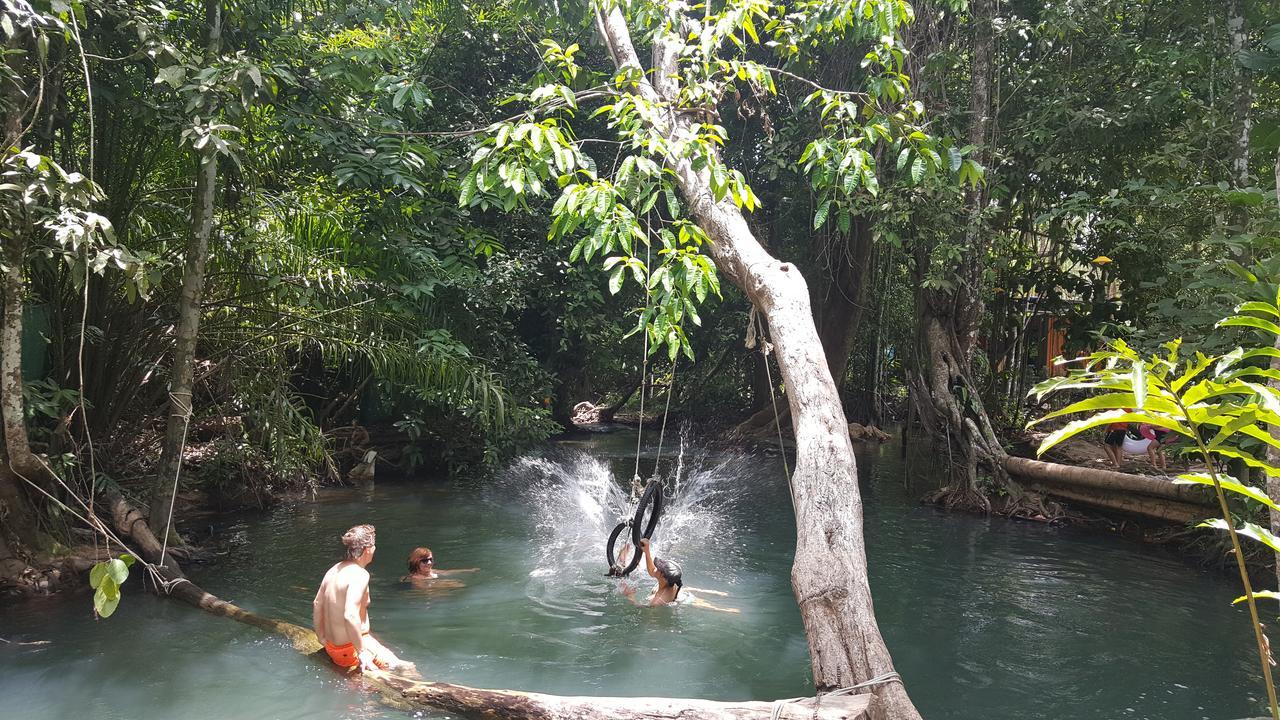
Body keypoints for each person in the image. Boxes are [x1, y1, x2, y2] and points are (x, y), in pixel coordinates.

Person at [312, 524, 411, 672]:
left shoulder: (334, 569)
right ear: (367, 549)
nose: (375, 549)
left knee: (398, 663)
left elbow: (317, 603)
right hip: (350, 649)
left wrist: (322, 638)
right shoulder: (359, 574)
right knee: (407, 669)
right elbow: (350, 615)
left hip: (334, 647)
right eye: (374, 545)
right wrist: (362, 653)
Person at [616, 539, 738, 612]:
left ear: (663, 577)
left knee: (701, 604)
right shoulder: (670, 581)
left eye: (660, 569)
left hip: (679, 599)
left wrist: (630, 596)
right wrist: (646, 551)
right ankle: (717, 595)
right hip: (679, 593)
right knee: (693, 595)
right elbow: (652, 570)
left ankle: (725, 610)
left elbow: (642, 609)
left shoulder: (657, 601)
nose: (657, 568)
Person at [400, 547, 478, 583]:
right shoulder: (416, 579)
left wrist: (469, 570)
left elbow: (446, 572)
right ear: (416, 562)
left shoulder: (431, 571)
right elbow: (427, 589)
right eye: (424, 561)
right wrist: (449, 583)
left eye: (430, 559)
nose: (429, 563)